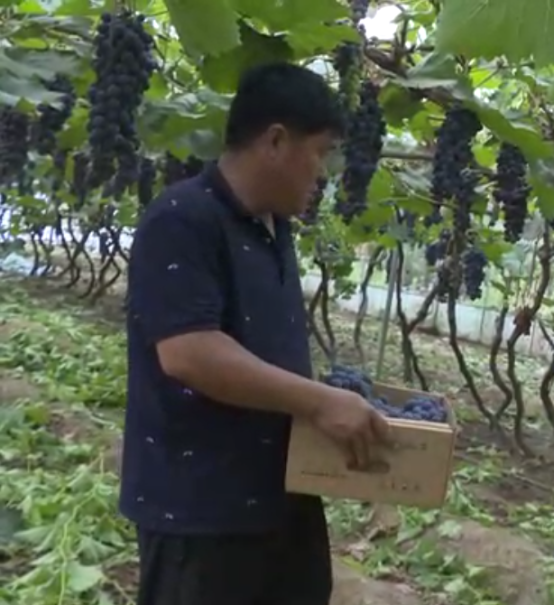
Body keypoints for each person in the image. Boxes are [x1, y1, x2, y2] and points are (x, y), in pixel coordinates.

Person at [122, 62, 392, 605]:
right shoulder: (182, 219)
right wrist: (320, 402)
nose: (323, 172)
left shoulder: (274, 227)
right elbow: (190, 353)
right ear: (275, 141)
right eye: (319, 152)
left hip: (280, 498)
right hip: (201, 512)